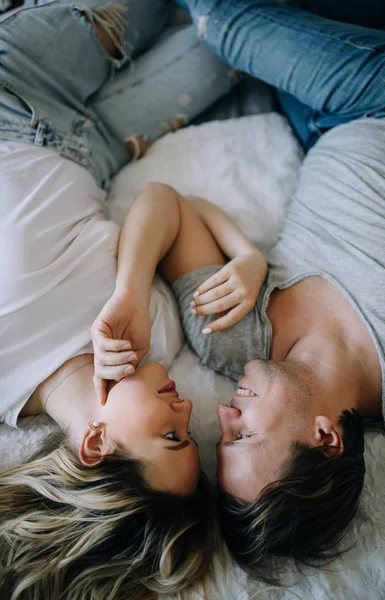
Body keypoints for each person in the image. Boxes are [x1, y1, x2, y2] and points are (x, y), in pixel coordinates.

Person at [107, 0, 385, 585]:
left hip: (324, 121)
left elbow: (168, 205)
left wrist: (136, 293)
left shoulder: (234, 341)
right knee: (224, 18)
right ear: (326, 437)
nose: (223, 412)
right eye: (244, 434)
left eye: (224, 435)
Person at [0, 1, 234, 598]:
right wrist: (130, 287)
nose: (188, 413)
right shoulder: (156, 337)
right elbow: (160, 200)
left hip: (15, 92)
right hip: (99, 150)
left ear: (97, 443)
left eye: (172, 436)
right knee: (231, 40)